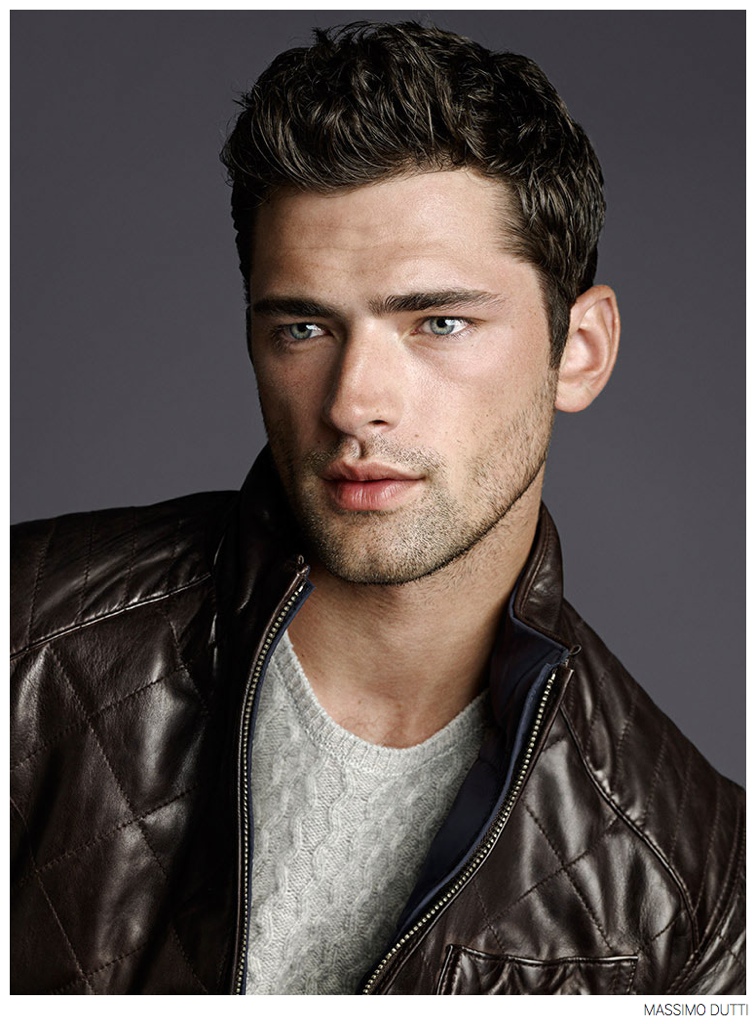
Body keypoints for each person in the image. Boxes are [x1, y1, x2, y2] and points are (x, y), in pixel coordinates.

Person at [10, 21, 744, 996]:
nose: (355, 402)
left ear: (581, 350)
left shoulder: (696, 889)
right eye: (304, 327)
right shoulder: (27, 642)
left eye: (439, 322)